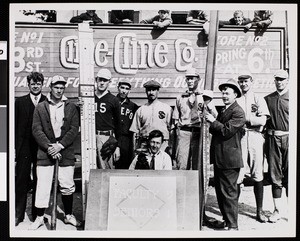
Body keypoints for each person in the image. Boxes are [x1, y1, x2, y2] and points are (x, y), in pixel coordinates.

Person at [30, 75, 80, 230]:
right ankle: (39, 217)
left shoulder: (70, 107)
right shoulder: (41, 107)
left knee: (67, 185)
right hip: (46, 152)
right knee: (43, 185)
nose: (59, 90)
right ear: (50, 88)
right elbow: (36, 130)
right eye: (56, 87)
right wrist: (50, 147)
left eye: (61, 88)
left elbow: (73, 129)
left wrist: (60, 145)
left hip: (65, 151)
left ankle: (68, 215)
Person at [205, 78, 246, 230]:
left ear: (235, 94)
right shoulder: (225, 110)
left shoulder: (238, 112)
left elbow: (225, 131)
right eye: (222, 92)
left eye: (227, 93)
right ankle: (227, 222)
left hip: (229, 160)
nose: (224, 95)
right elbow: (217, 130)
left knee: (229, 193)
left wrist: (212, 121)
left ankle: (233, 226)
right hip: (221, 158)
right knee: (221, 193)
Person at [236, 72, 270, 223]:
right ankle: (233, 211)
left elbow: (262, 119)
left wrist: (247, 119)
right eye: (241, 82)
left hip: (255, 136)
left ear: (251, 82)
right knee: (238, 173)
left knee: (258, 174)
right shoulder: (236, 99)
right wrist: (247, 122)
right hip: (241, 136)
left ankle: (259, 210)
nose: (243, 84)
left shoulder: (258, 98)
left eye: (246, 81)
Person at [15, 72, 46, 226]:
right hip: (24, 147)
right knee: (21, 179)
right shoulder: (19, 102)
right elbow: (12, 126)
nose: (35, 86)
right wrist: (14, 148)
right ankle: (18, 214)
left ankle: (37, 214)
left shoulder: (47, 101)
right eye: (33, 83)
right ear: (28, 85)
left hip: (41, 148)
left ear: (42, 85)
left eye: (38, 84)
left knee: (40, 180)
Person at [172, 68, 217, 170]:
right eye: (188, 79)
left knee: (198, 163)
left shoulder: (204, 96)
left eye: (192, 79)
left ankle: (197, 186)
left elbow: (215, 115)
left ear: (198, 80)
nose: (190, 81)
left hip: (198, 132)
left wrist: (207, 104)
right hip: (184, 132)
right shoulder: (180, 97)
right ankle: (183, 186)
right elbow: (175, 118)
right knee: (182, 163)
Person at [264, 69, 289, 223]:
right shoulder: (268, 99)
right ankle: (277, 210)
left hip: (289, 137)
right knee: (275, 175)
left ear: (287, 80)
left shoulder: (293, 97)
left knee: (291, 174)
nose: (279, 82)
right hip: (273, 138)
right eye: (277, 79)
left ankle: (292, 210)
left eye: (282, 79)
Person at [129, 79, 172, 155]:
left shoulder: (166, 108)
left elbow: (171, 129)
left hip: (162, 144)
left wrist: (171, 146)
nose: (151, 92)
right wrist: (134, 149)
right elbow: (135, 131)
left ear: (158, 91)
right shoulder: (141, 109)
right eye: (149, 90)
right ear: (146, 92)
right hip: (145, 143)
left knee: (160, 165)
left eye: (154, 90)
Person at [94, 68, 121, 169]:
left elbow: (118, 125)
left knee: (105, 170)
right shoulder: (89, 97)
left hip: (106, 138)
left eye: (104, 80)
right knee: (90, 169)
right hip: (91, 137)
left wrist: (118, 146)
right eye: (100, 79)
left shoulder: (113, 100)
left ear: (109, 82)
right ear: (96, 80)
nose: (101, 83)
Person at [114, 79, 138, 169]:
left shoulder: (133, 106)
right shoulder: (112, 102)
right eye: (122, 88)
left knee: (125, 165)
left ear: (129, 90)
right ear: (118, 88)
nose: (124, 91)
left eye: (127, 88)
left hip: (126, 139)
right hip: (113, 136)